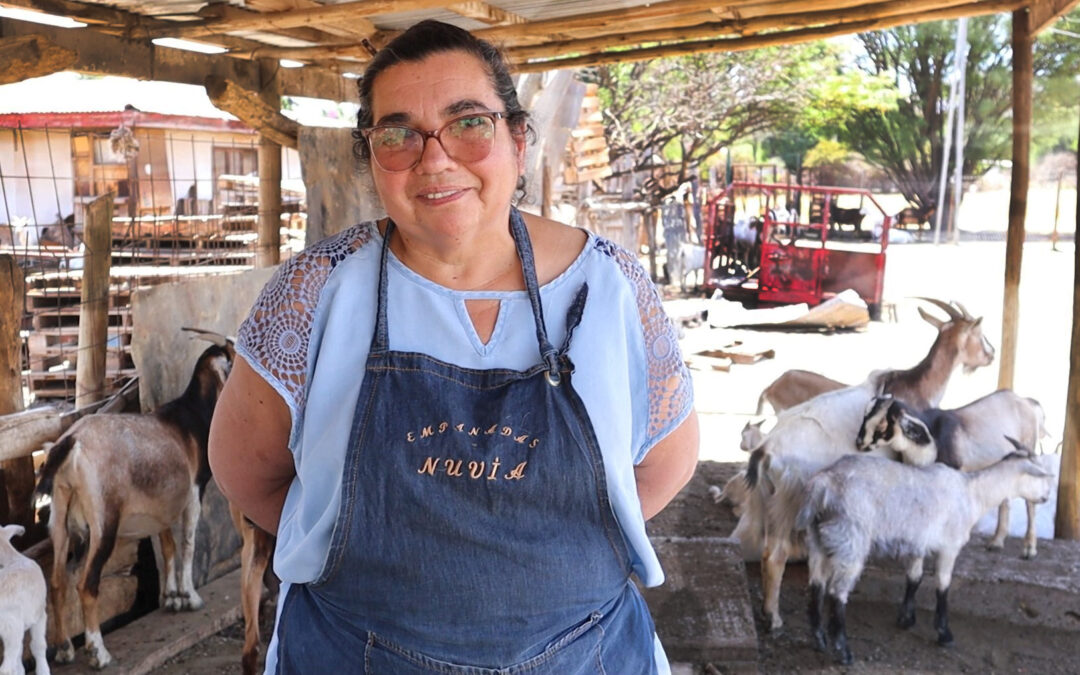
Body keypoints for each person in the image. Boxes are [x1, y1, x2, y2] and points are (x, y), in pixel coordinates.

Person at [209, 19, 699, 675]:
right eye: (398, 134)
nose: (435, 159)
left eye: (469, 124)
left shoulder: (610, 287)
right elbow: (249, 472)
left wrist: (536, 578)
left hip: (583, 656)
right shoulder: (315, 291)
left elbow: (665, 464)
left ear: (518, 139)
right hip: (355, 655)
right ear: (371, 155)